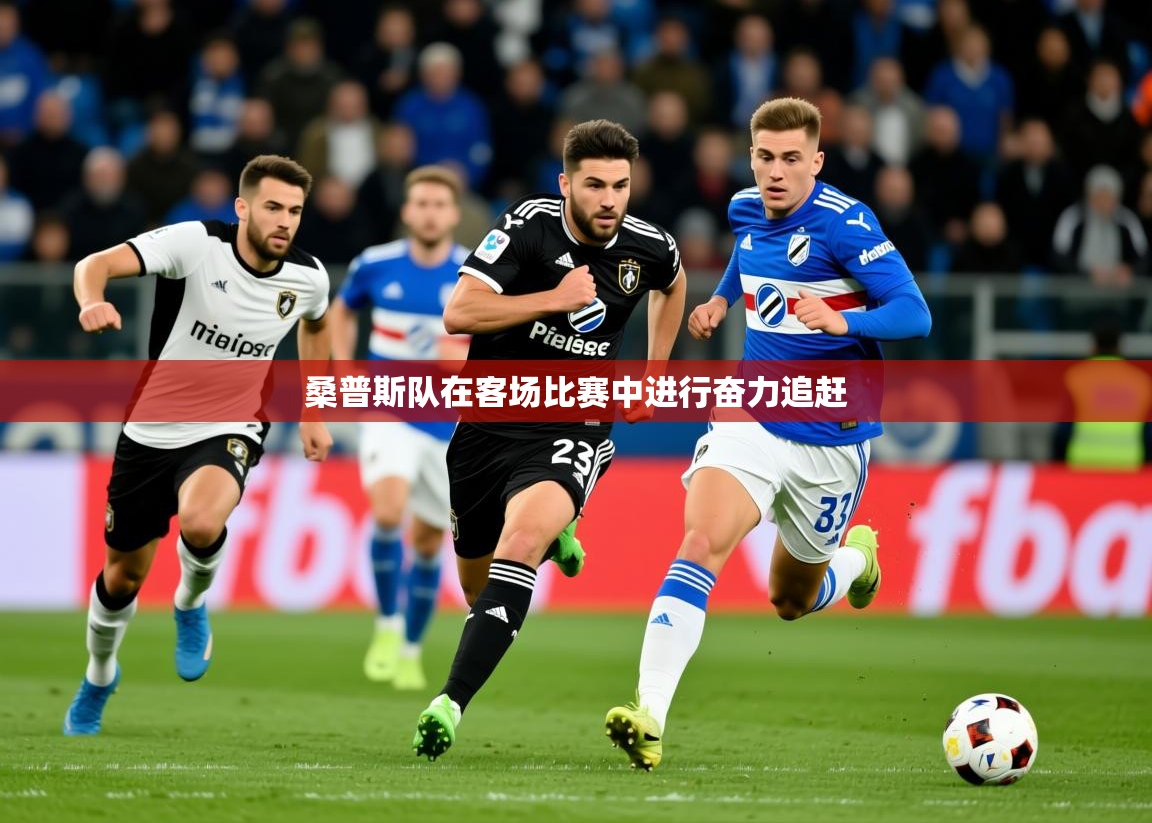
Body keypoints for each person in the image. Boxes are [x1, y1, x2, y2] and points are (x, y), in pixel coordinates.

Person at [604, 97, 931, 770]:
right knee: (700, 541)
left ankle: (857, 561)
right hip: (751, 414)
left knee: (790, 599)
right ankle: (650, 715)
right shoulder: (746, 207)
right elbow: (747, 253)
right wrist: (722, 299)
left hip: (832, 438)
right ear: (749, 157)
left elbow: (914, 312)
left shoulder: (847, 225)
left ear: (817, 160)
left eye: (790, 159)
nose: (776, 172)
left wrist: (845, 323)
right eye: (764, 157)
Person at [411, 119, 686, 760]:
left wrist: (653, 373)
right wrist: (552, 298)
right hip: (486, 426)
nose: (609, 200)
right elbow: (459, 312)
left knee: (521, 544)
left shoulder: (648, 246)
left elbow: (672, 286)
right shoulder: (528, 226)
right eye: (594, 185)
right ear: (566, 184)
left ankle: (448, 704)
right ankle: (557, 524)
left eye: (620, 186)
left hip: (572, 424)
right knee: (478, 589)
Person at [63, 155, 333, 735]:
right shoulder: (195, 244)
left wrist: (314, 409)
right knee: (122, 577)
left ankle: (189, 603)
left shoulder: (308, 277)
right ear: (242, 208)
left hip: (230, 424)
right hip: (150, 431)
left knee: (203, 521)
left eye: (294, 211)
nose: (284, 221)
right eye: (273, 207)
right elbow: (94, 264)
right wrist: (91, 299)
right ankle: (100, 675)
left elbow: (317, 323)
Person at [329, 166, 471, 690]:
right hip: (387, 410)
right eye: (422, 203)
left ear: (453, 214)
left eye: (440, 204)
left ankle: (410, 649)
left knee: (430, 542)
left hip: (446, 425)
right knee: (388, 511)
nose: (430, 213)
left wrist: (463, 359)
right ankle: (387, 626)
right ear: (408, 211)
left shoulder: (473, 274)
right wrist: (344, 367)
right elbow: (341, 312)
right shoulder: (375, 263)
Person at [1053, 319, 1152, 469]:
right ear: (1119, 346)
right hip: (1128, 466)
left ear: (1093, 344)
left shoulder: (1076, 377)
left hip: (1084, 465)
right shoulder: (1142, 381)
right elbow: (1149, 433)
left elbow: (1063, 431)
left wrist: (1057, 466)